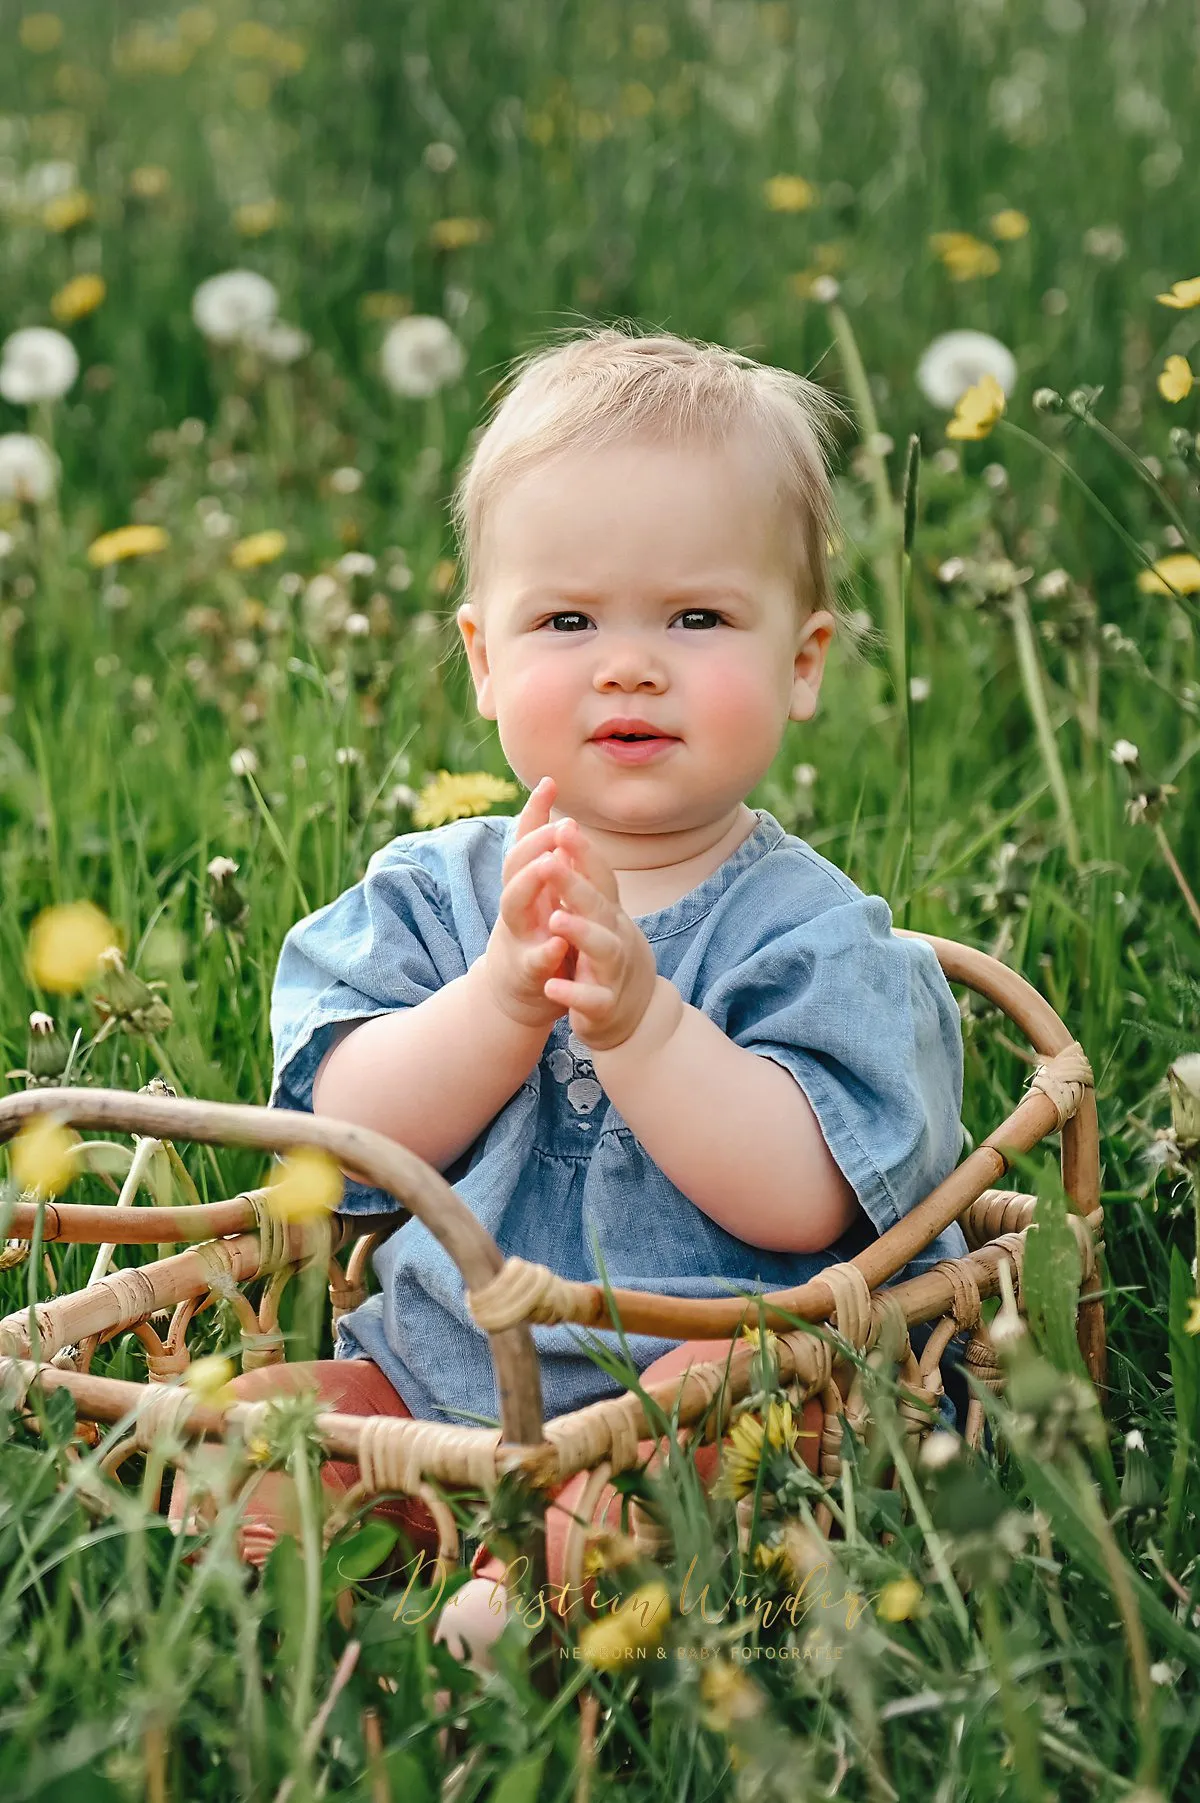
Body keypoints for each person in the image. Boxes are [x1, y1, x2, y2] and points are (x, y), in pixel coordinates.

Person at [217, 324, 969, 1672]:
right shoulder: (432, 897)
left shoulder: (819, 940)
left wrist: (643, 1027)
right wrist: (502, 1000)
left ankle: (531, 1590)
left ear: (803, 660)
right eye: (568, 620)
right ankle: (338, 1588)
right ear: (482, 657)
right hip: (432, 1381)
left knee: (692, 1464)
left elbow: (806, 1196)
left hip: (703, 1379)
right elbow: (340, 1140)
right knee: (259, 1430)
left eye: (696, 617)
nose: (630, 663)